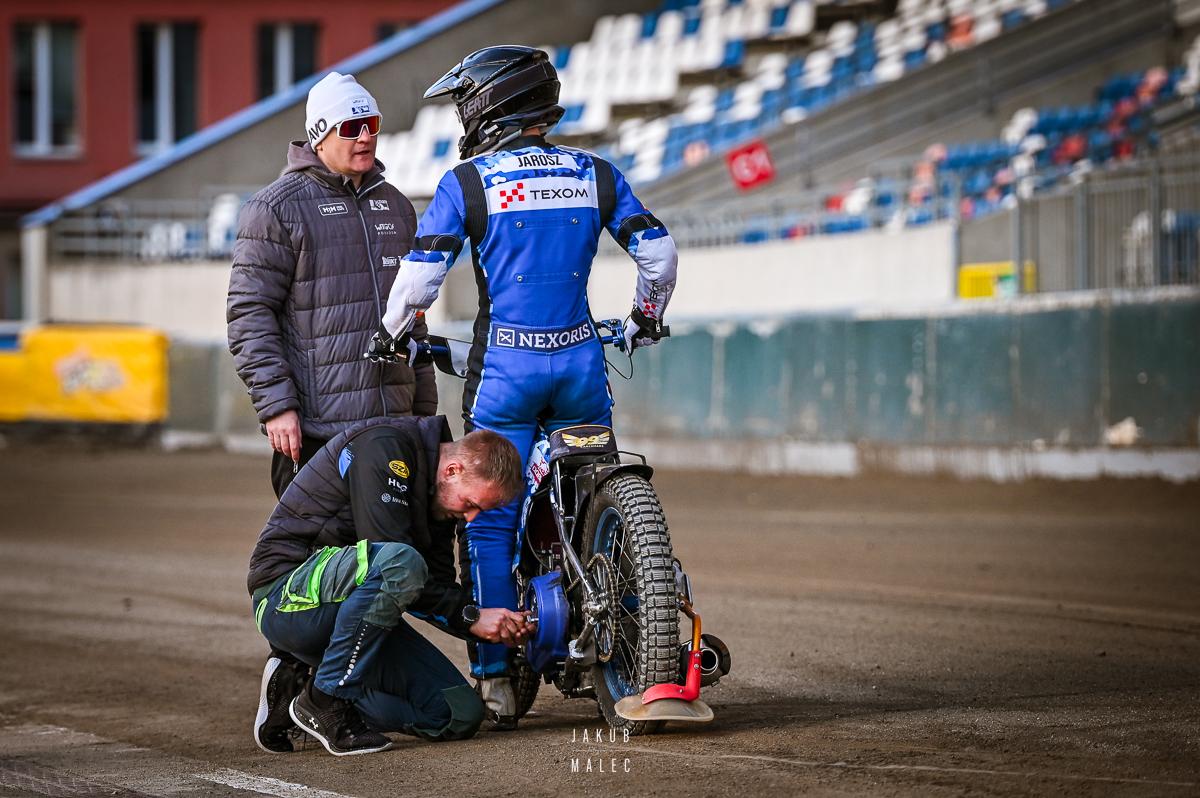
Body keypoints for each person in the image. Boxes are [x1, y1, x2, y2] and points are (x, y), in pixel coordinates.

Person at [366, 46, 679, 728]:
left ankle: (495, 677)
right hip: (581, 366)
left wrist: (390, 334)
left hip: (505, 373)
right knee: (593, 489)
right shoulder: (595, 173)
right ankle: (630, 619)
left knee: (490, 515)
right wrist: (645, 317)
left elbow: (420, 279)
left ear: (487, 106)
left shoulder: (468, 181)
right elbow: (658, 253)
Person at [249, 415, 532, 756]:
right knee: (401, 561)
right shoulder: (384, 447)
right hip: (284, 596)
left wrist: (486, 622)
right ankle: (326, 701)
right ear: (453, 470)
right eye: (471, 504)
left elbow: (435, 588)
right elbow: (393, 563)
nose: (471, 517)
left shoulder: (439, 500)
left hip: (351, 613)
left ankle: (300, 692)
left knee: (459, 713)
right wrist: (470, 617)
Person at [228, 71, 436, 500]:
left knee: (389, 542)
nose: (366, 137)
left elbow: (413, 317)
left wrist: (424, 412)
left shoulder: (398, 206)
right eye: (352, 127)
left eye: (371, 124)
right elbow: (249, 314)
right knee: (316, 546)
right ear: (319, 135)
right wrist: (277, 406)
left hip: (393, 426)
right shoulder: (274, 209)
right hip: (316, 432)